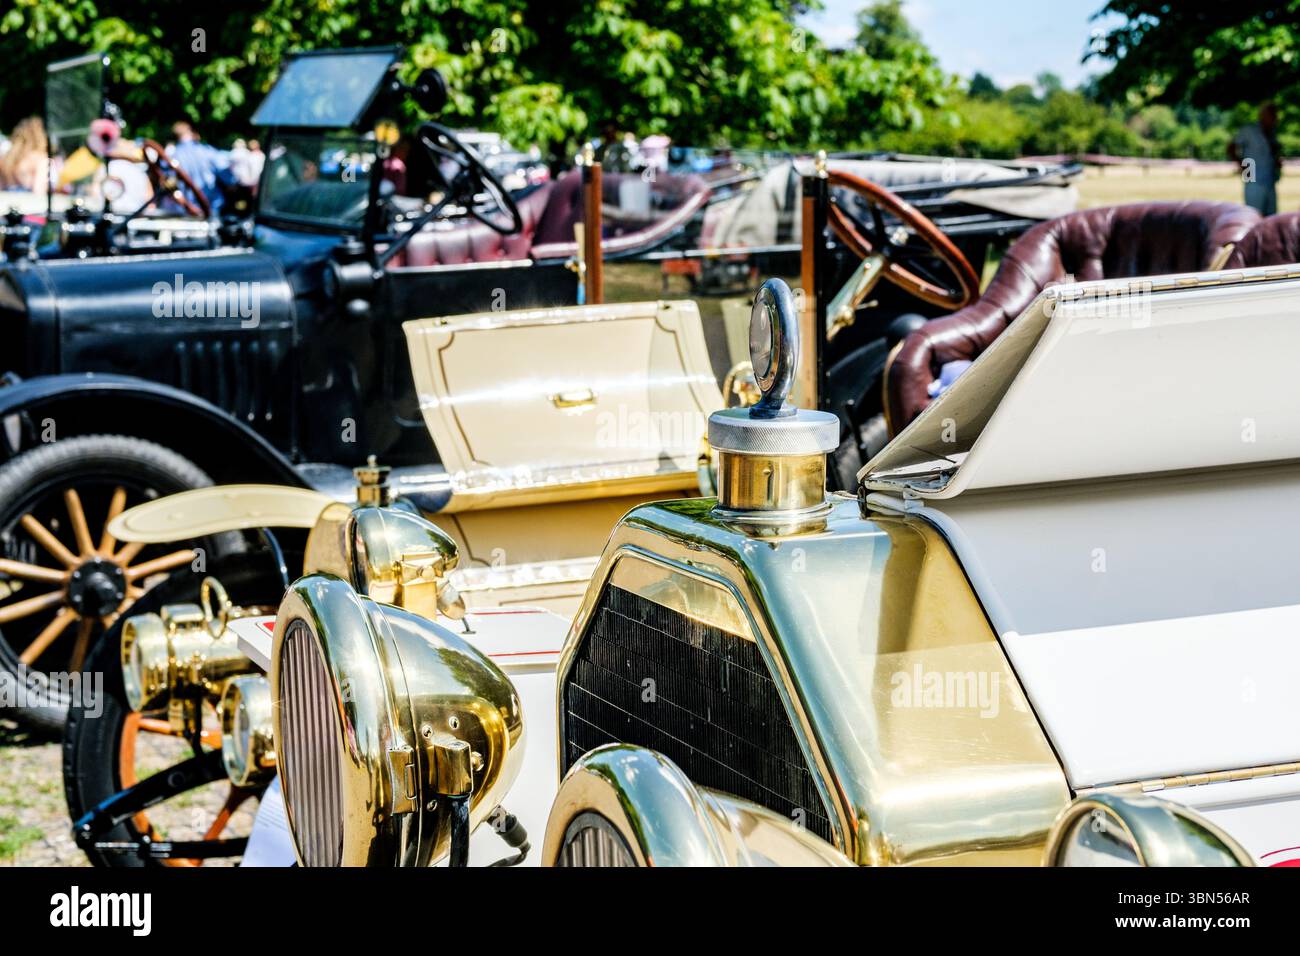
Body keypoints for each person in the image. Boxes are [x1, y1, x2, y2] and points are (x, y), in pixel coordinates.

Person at [168, 120, 236, 216]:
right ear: (193, 133)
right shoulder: (207, 151)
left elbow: (168, 185)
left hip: (184, 212)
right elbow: (229, 179)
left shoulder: (171, 157)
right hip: (212, 210)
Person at [1229, 103, 1283, 215]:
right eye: (1272, 114)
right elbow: (1231, 147)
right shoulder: (1249, 130)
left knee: (1271, 216)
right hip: (1253, 178)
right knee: (1253, 214)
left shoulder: (1272, 133)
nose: (1275, 118)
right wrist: (1242, 165)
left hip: (1270, 180)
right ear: (1263, 115)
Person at [0, 117, 49, 194]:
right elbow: (38, 189)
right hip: (27, 202)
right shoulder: (39, 158)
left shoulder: (6, 157)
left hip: (7, 201)